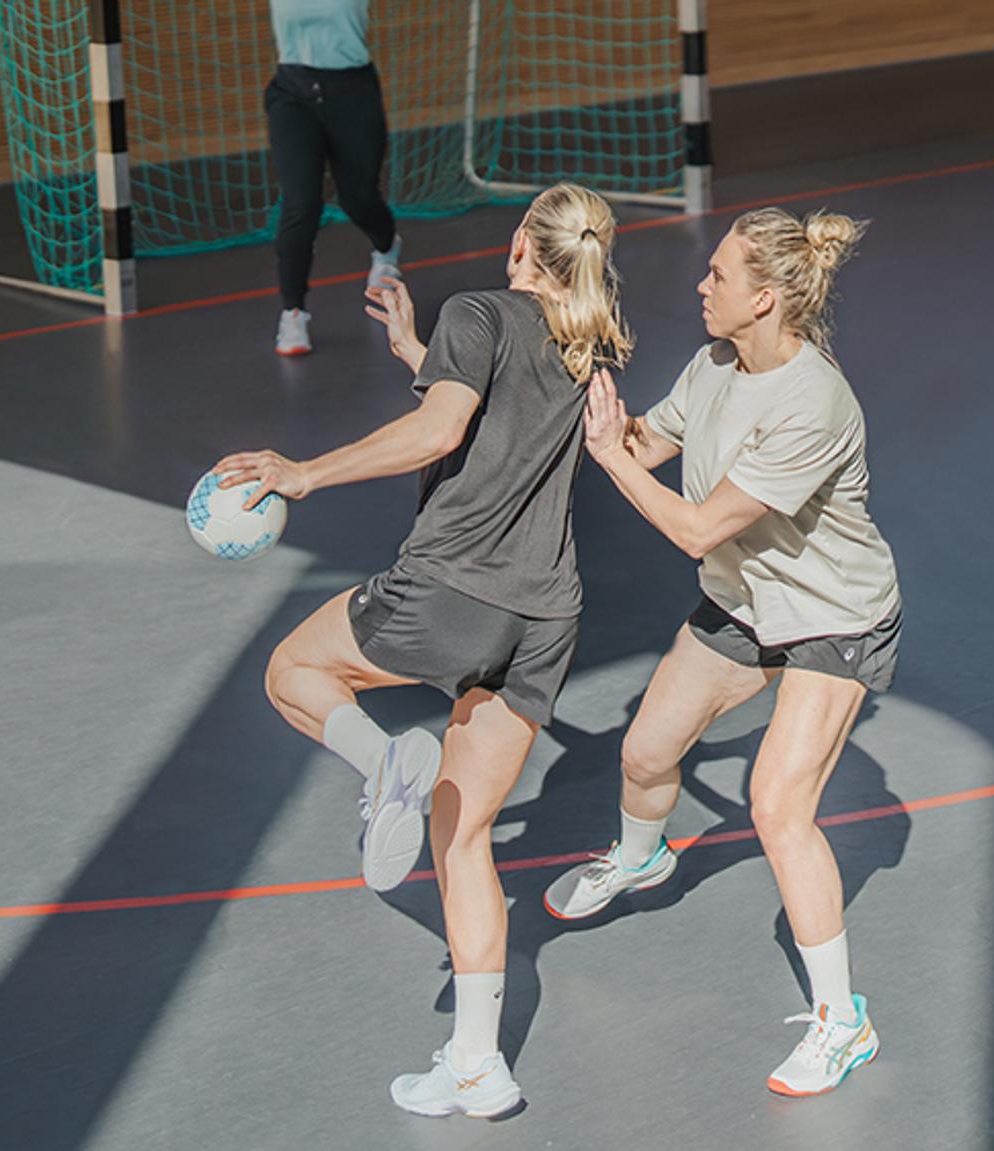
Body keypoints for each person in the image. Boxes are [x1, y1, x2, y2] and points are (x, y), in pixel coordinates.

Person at [212, 183, 630, 1118]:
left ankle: (383, 758)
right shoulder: (586, 335)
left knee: (294, 670)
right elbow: (500, 410)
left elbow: (445, 428)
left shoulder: (478, 311)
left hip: (455, 586)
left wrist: (303, 472)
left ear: (523, 239)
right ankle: (478, 1065)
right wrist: (417, 350)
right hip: (545, 620)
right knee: (461, 832)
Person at [546, 206, 901, 1097]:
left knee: (777, 806)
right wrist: (581, 404)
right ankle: (640, 856)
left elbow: (699, 526)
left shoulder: (813, 401)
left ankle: (842, 1020)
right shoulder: (714, 365)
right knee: (644, 751)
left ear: (766, 299)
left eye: (717, 277)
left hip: (833, 618)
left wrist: (614, 462)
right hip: (745, 603)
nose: (700, 286)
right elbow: (646, 443)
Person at [265, 0, 402, 355]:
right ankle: (293, 312)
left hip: (352, 93)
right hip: (292, 96)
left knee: (358, 197)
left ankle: (386, 248)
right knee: (301, 204)